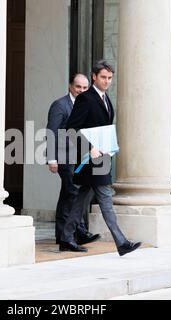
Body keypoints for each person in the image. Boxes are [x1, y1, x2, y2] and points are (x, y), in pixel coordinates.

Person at [61, 60, 142, 256]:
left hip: (101, 159)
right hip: (90, 160)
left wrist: (110, 146)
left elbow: (103, 128)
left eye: (110, 78)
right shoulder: (85, 98)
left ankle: (66, 237)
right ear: (94, 77)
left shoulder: (106, 99)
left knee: (80, 199)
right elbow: (70, 129)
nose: (107, 81)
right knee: (106, 199)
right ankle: (121, 242)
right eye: (103, 77)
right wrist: (90, 148)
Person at [46, 74, 100, 246]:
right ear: (70, 86)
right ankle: (79, 232)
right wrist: (52, 159)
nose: (82, 91)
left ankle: (63, 235)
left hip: (81, 158)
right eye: (78, 87)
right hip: (64, 157)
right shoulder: (60, 105)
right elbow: (52, 133)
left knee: (69, 195)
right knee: (74, 193)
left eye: (85, 88)